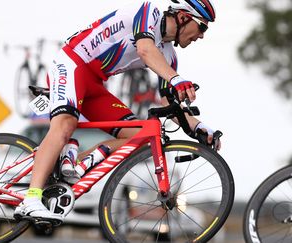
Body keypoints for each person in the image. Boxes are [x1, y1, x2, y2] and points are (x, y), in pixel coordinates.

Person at [14, 0, 218, 223]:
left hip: (95, 84)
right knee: (64, 126)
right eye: (202, 27)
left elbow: (169, 104)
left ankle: (76, 161)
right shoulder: (148, 12)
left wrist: (199, 128)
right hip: (72, 64)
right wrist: (176, 79)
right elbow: (144, 49)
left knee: (140, 137)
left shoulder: (168, 56)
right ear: (183, 17)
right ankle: (31, 199)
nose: (202, 36)